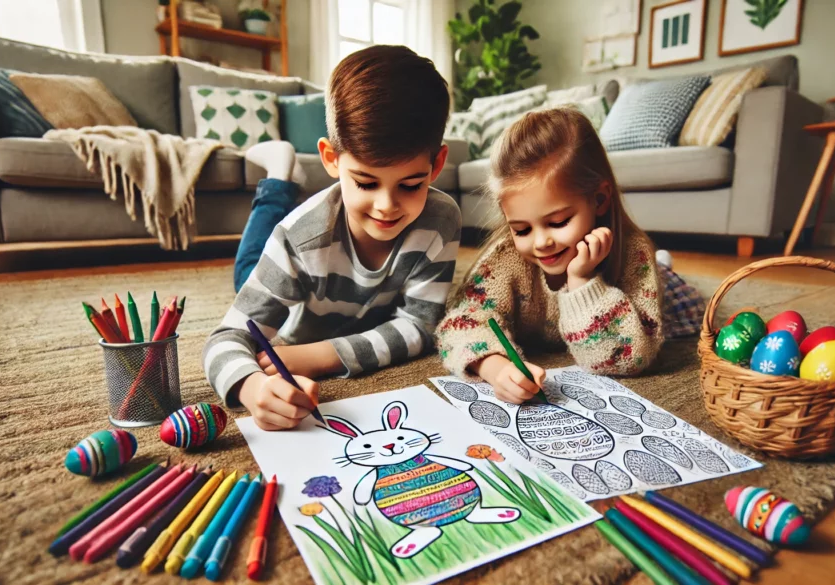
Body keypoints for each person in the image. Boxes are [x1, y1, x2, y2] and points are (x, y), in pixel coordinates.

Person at [204, 45, 461, 430]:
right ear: (331, 159)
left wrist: (315, 356)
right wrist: (250, 386)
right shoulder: (296, 238)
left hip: (317, 293)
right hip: (297, 273)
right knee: (251, 260)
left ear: (437, 165)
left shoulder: (441, 220)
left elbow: (421, 326)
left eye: (410, 185)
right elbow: (225, 339)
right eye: (365, 182)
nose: (387, 206)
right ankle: (278, 176)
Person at [435, 107, 704, 404]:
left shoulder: (633, 254)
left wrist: (582, 282)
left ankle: (663, 265)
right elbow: (458, 325)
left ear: (599, 199)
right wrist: (495, 368)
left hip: (635, 286)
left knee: (678, 295)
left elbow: (628, 360)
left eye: (558, 222)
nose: (540, 243)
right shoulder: (506, 259)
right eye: (522, 229)